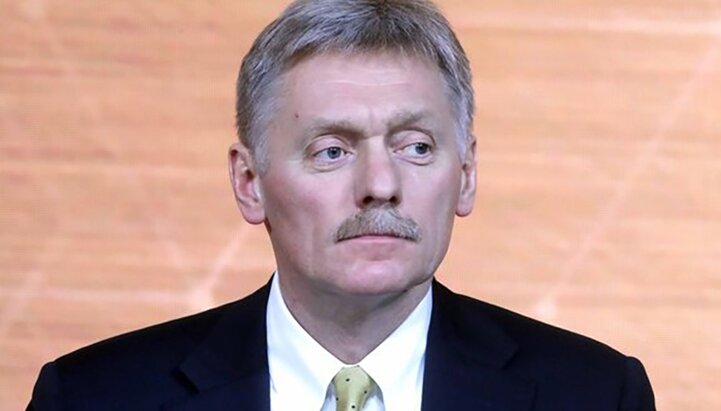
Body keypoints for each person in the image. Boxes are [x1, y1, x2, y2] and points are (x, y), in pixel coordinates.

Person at [27, 1, 656, 410]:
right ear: (249, 182)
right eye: (331, 151)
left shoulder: (596, 394)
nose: (379, 184)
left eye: (416, 146)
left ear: (466, 175)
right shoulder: (91, 397)